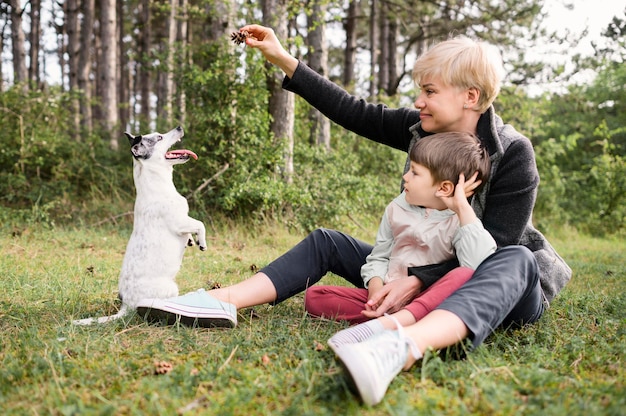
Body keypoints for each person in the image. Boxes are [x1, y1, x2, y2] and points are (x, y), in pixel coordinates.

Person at [136, 24, 571, 406]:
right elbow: (353, 111)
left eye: (430, 92)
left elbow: (493, 250)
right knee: (328, 241)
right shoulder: (423, 130)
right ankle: (218, 302)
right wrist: (281, 58)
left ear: (470, 96)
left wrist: (418, 280)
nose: (418, 101)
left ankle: (397, 346)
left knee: (516, 258)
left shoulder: (513, 153)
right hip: (412, 268)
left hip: (499, 288)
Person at [305, 131, 496, 329]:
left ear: (445, 188)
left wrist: (462, 209)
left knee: (460, 277)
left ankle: (407, 319)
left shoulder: (460, 222)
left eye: (414, 172)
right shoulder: (397, 208)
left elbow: (477, 269)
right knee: (315, 297)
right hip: (390, 291)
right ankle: (388, 318)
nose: (405, 176)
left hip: (429, 300)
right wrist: (375, 294)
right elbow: (379, 256)